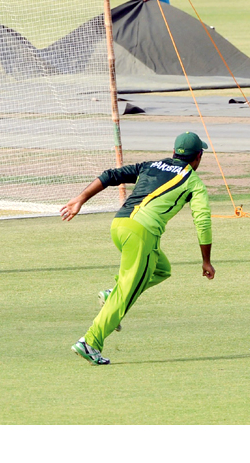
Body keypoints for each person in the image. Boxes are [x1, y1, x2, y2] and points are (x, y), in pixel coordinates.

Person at [62, 131, 214, 365]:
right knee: (126, 294)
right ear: (198, 157)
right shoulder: (193, 181)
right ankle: (90, 342)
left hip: (120, 225)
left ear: (173, 152)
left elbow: (111, 175)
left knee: (161, 269)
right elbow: (202, 220)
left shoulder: (151, 165)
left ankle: (112, 294)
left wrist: (80, 198)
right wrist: (206, 260)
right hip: (141, 234)